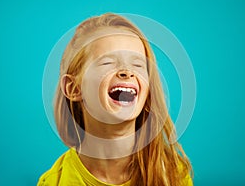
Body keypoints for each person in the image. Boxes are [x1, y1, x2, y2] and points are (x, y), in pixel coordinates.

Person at [38, 13, 193, 186]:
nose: (127, 71)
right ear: (73, 88)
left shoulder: (172, 174)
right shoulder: (54, 182)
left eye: (138, 64)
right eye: (108, 63)